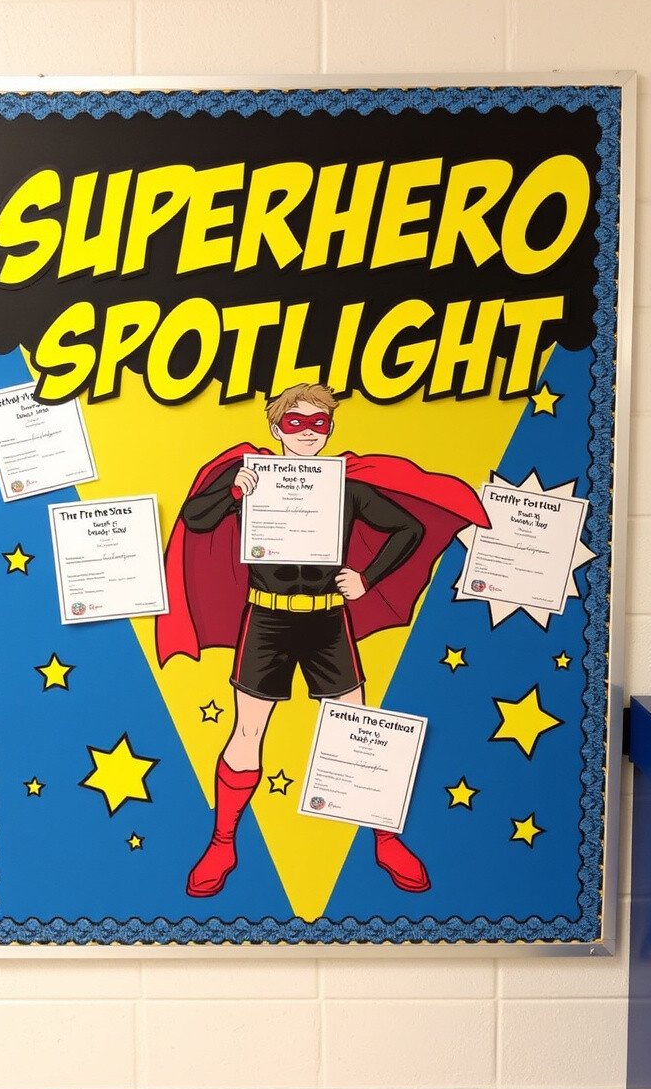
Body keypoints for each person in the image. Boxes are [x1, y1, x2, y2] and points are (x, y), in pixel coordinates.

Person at [156, 383, 489, 900]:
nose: (308, 433)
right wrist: (234, 491)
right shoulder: (250, 475)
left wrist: (368, 577)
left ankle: (385, 840)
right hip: (266, 619)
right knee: (247, 733)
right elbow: (196, 519)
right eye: (296, 423)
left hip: (327, 620)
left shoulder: (345, 484)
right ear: (275, 427)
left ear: (330, 429)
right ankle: (222, 844)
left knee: (357, 731)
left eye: (319, 423)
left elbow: (408, 529)